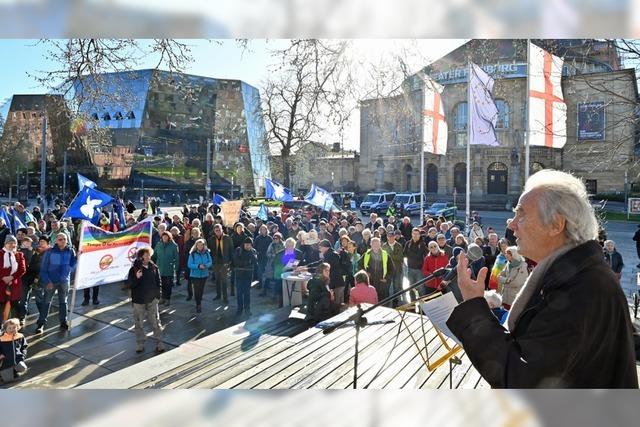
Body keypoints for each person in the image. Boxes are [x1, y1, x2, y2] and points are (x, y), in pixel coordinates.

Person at [447, 169, 638, 388]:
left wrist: (474, 310)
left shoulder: (581, 291)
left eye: (521, 214)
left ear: (556, 225)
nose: (510, 224)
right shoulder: (578, 273)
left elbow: (523, 380)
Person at [35, 233, 76, 332]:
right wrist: (47, 281)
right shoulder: (50, 251)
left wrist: (70, 268)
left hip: (64, 281)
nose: (62, 241)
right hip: (51, 281)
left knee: (63, 302)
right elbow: (43, 268)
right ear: (56, 241)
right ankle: (41, 324)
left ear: (67, 240)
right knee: (46, 302)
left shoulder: (70, 251)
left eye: (64, 239)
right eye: (60, 239)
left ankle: (63, 322)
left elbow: (74, 263)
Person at [127, 247, 164, 353]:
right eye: (146, 255)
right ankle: (140, 343)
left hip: (152, 300)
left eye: (149, 255)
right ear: (141, 256)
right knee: (139, 323)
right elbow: (129, 284)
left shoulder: (154, 267)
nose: (148, 257)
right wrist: (136, 277)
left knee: (156, 322)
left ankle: (159, 342)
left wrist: (158, 295)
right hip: (139, 300)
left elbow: (158, 282)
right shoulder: (134, 269)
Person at [359, 237, 395, 302]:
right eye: (373, 244)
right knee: (371, 300)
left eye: (377, 243)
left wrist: (386, 278)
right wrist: (365, 273)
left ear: (380, 244)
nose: (375, 245)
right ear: (371, 244)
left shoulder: (385, 255)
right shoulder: (366, 254)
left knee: (383, 301)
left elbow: (392, 269)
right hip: (370, 281)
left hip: (382, 282)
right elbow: (359, 265)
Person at [0, 236, 27, 322]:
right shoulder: (0, 253)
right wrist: (3, 278)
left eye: (14, 243)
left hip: (14, 285)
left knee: (13, 306)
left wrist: (11, 277)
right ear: (5, 244)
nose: (12, 245)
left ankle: (12, 327)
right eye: (10, 243)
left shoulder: (19, 255)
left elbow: (22, 269)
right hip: (1, 285)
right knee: (1, 306)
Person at [207, 224, 234, 304]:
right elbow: (209, 251)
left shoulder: (227, 238)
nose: (218, 232)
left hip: (224, 262)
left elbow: (231, 250)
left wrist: (230, 261)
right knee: (217, 280)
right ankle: (218, 295)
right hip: (215, 263)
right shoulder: (211, 239)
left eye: (219, 230)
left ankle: (225, 298)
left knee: (224, 281)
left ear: (222, 230)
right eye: (216, 231)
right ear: (214, 231)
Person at [233, 237, 259, 317]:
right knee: (239, 293)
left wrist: (251, 254)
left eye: (249, 245)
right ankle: (239, 309)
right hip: (239, 274)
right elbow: (236, 261)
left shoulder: (253, 251)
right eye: (246, 245)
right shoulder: (238, 250)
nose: (248, 246)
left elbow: (255, 263)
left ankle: (247, 309)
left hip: (248, 275)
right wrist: (247, 263)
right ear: (244, 244)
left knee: (247, 293)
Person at [152, 231, 178, 306]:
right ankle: (162, 298)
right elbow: (154, 255)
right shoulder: (158, 245)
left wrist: (175, 267)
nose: (164, 238)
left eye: (166, 236)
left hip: (169, 269)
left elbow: (176, 258)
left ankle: (167, 299)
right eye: (163, 236)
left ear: (169, 237)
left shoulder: (174, 246)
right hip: (159, 268)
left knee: (168, 285)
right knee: (161, 285)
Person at [187, 239, 212, 313]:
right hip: (195, 275)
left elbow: (210, 262)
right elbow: (189, 264)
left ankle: (199, 299)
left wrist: (205, 265)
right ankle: (198, 304)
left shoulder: (207, 253)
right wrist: (198, 266)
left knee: (201, 289)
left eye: (202, 245)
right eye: (199, 245)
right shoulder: (192, 254)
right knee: (197, 290)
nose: (200, 246)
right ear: (196, 246)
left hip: (204, 274)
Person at [0, 318, 28, 383]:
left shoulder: (20, 336)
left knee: (22, 367)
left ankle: (14, 371)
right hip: (5, 362)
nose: (12, 329)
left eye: (14, 327)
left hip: (17, 360)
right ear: (5, 329)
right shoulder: (1, 338)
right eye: (9, 328)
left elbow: (24, 347)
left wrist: (22, 356)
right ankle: (2, 373)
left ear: (18, 328)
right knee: (7, 380)